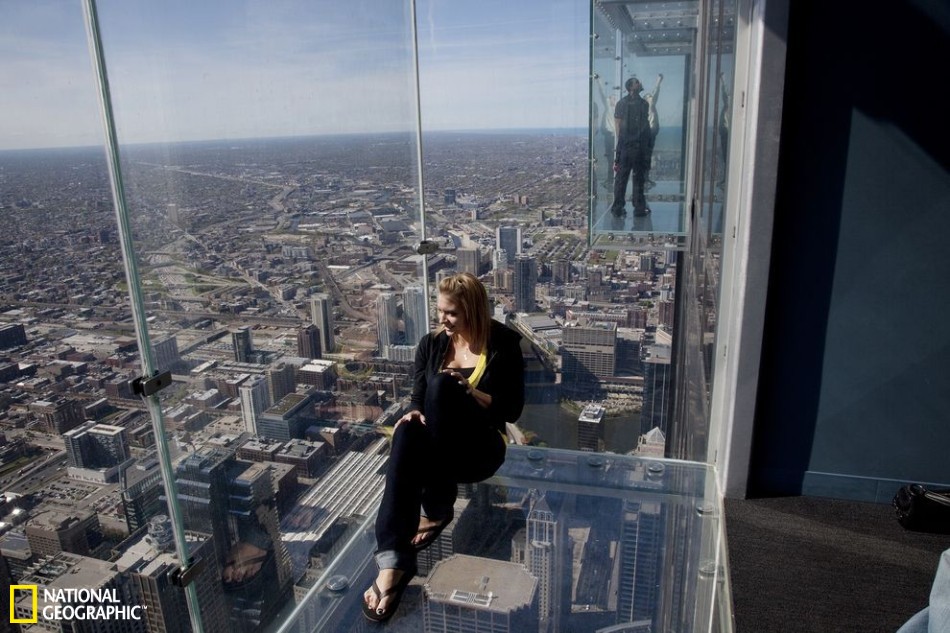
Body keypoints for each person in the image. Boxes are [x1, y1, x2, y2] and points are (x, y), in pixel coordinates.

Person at [362, 272, 525, 623]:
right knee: (406, 431)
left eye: (451, 313)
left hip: (480, 450)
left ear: (473, 310)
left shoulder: (504, 345)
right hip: (439, 455)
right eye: (440, 311)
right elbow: (417, 399)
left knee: (444, 386)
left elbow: (511, 410)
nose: (442, 319)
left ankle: (436, 506)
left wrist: (468, 391)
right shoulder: (431, 344)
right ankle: (393, 560)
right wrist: (414, 413)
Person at [611, 76, 655, 217]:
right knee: (636, 178)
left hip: (627, 147)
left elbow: (619, 128)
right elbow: (644, 129)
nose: (640, 83)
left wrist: (619, 151)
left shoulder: (623, 104)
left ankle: (619, 207)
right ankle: (637, 207)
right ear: (631, 87)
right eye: (637, 82)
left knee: (623, 179)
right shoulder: (641, 104)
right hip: (635, 147)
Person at [643, 74, 663, 190]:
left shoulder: (653, 108)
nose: (651, 98)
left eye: (651, 97)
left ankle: (646, 178)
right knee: (645, 157)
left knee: (648, 157)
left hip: (652, 134)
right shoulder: (642, 111)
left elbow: (656, 93)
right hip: (645, 136)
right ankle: (643, 179)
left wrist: (658, 81)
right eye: (648, 97)